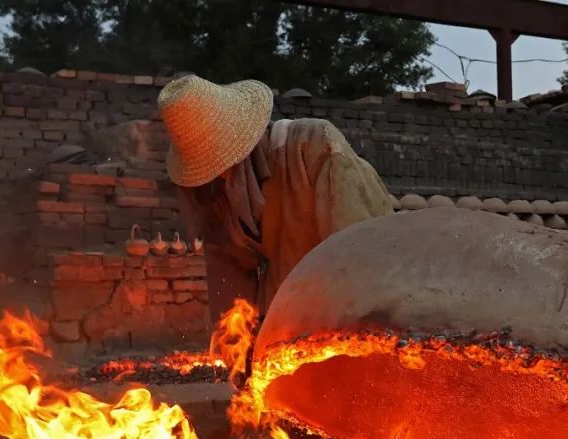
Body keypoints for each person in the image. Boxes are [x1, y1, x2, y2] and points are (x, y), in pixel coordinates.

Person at [159, 74, 393, 320]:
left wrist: (354, 323)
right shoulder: (217, 194)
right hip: (283, 322)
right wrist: (236, 337)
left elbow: (360, 252)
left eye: (219, 166)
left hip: (341, 315)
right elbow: (229, 285)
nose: (218, 177)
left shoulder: (314, 147)